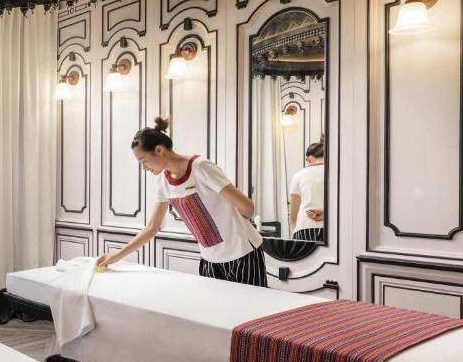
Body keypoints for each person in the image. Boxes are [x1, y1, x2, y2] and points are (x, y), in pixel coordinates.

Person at [95, 116, 267, 287]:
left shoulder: (200, 167)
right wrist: (117, 256)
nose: (144, 167)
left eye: (143, 160)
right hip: (210, 259)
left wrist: (232, 223)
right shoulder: (164, 182)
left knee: (251, 305)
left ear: (159, 150)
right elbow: (152, 227)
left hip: (243, 253)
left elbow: (248, 208)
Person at [288, 142, 325, 242]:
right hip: (331, 229)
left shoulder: (298, 175)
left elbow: (292, 217)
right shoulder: (336, 173)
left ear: (308, 159)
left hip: (304, 228)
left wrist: (294, 234)